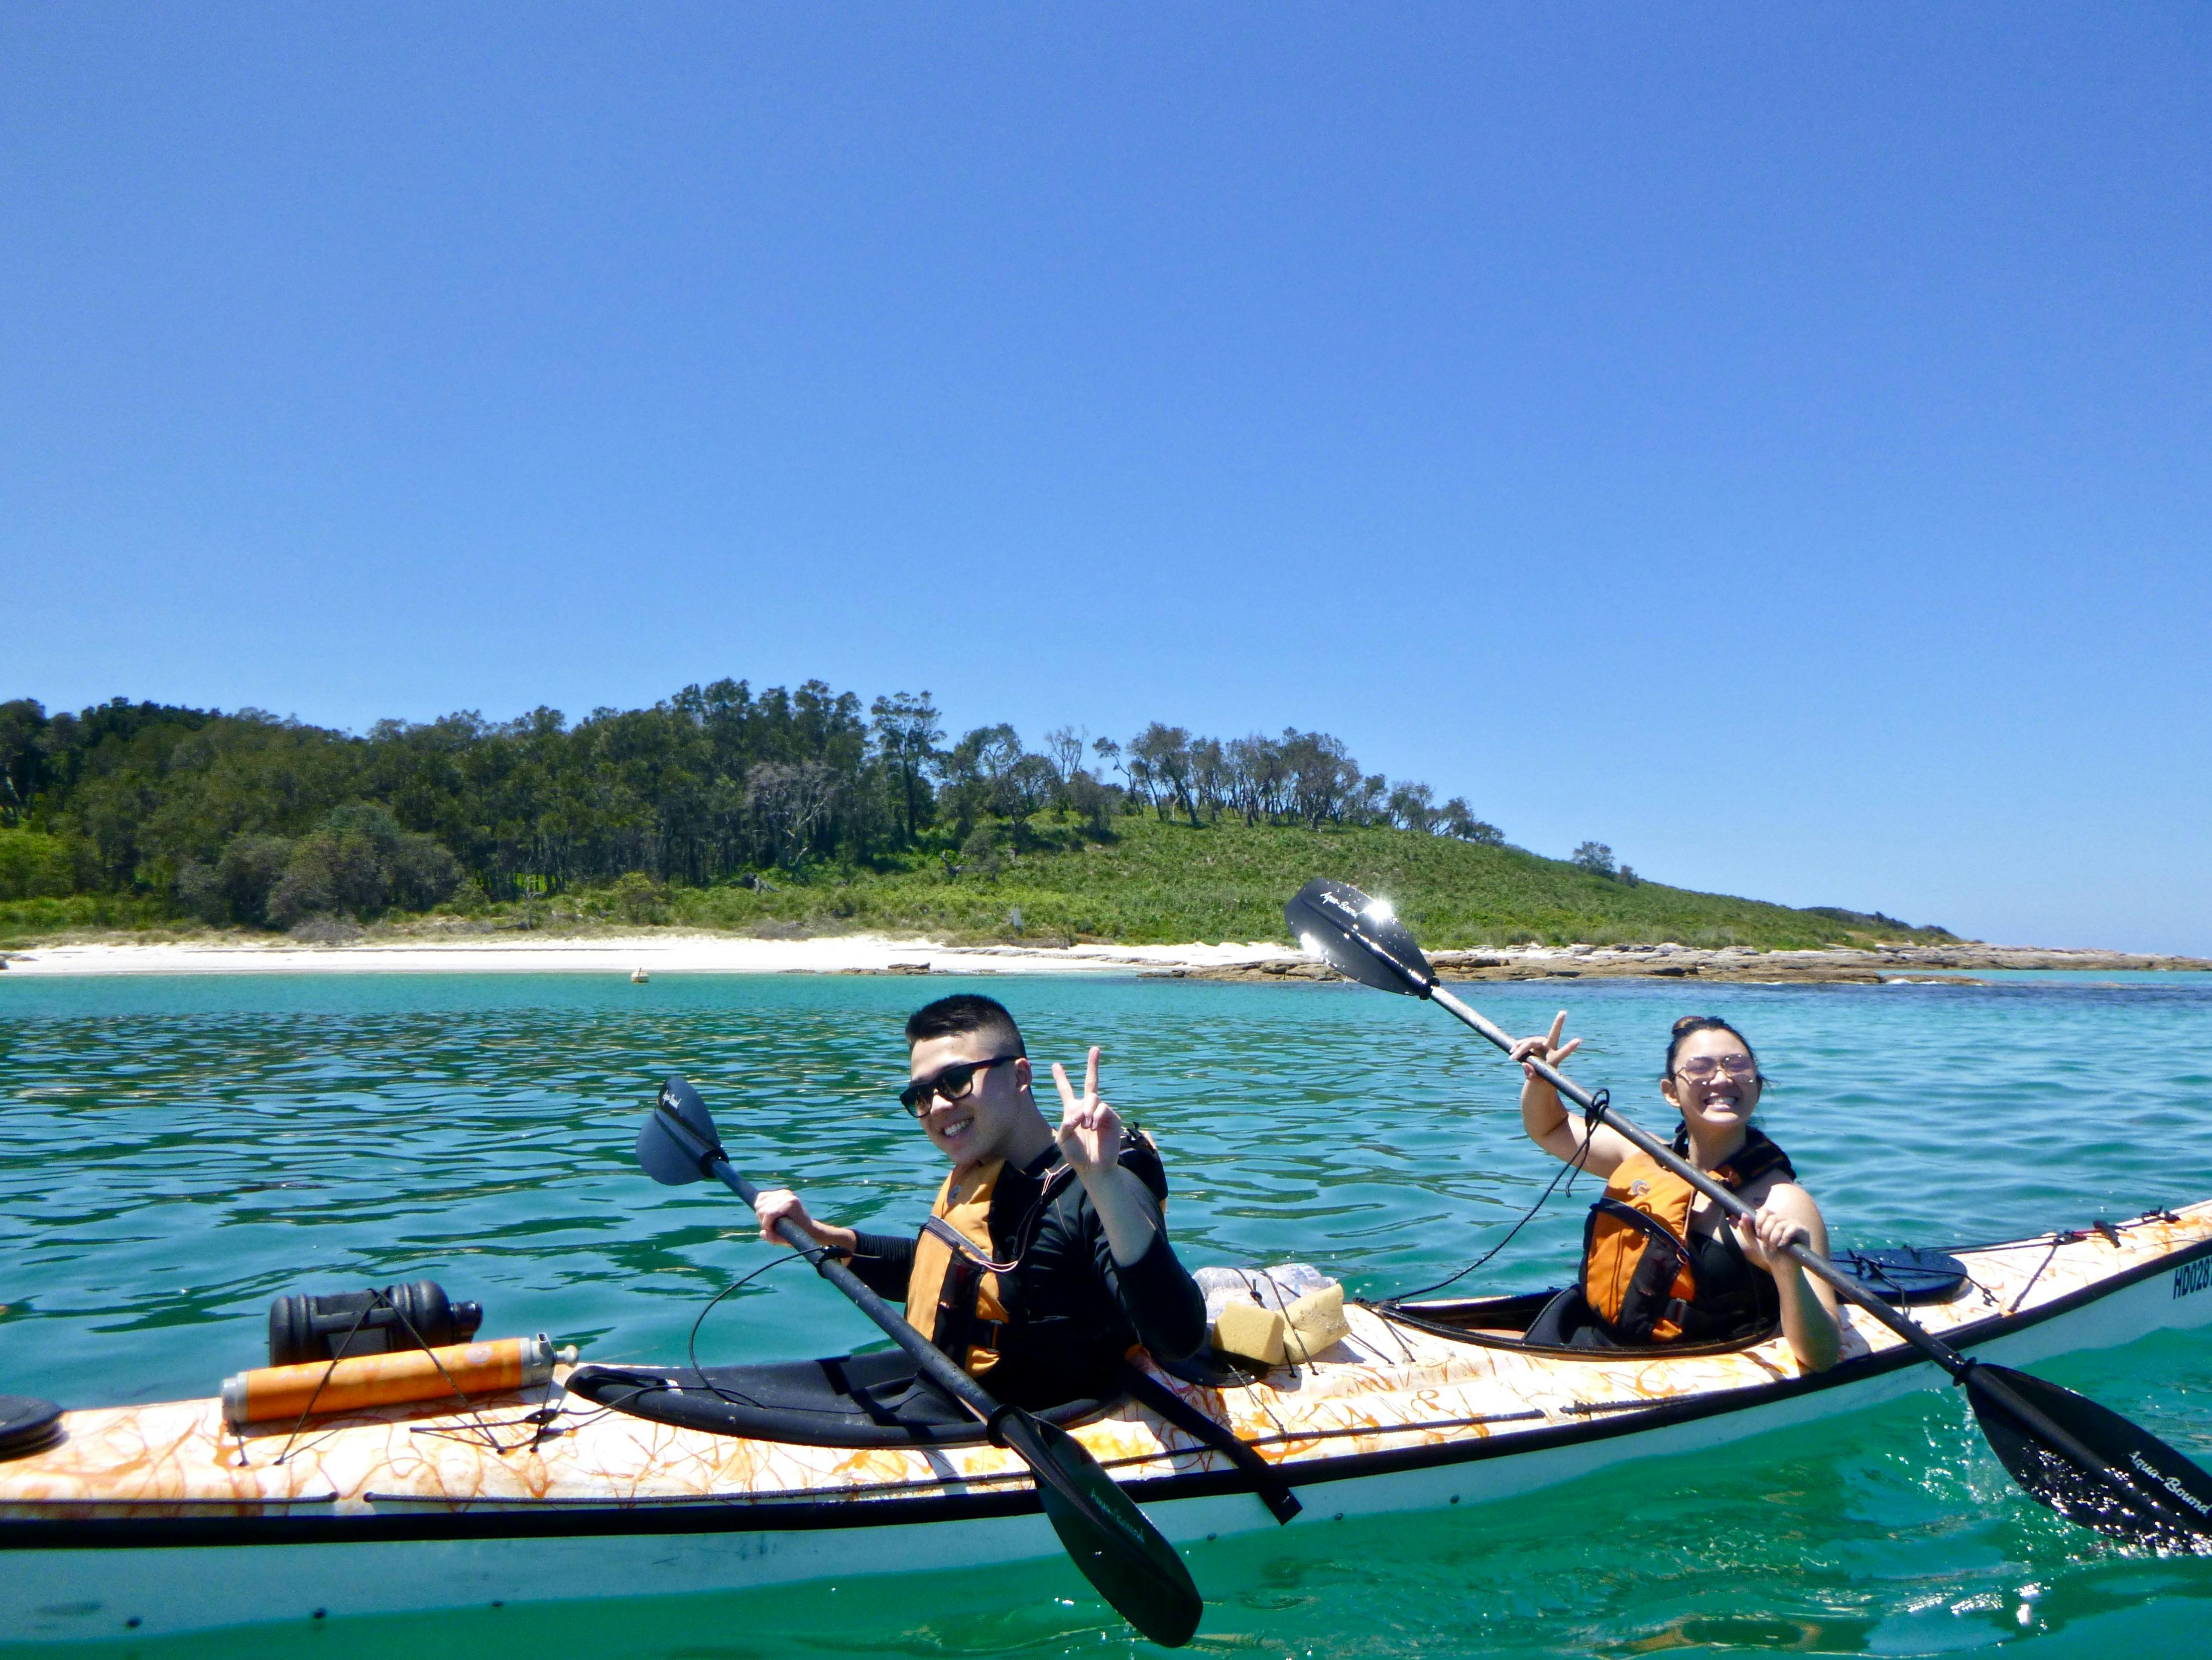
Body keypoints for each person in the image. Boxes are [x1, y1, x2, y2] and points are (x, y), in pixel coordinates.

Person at [752, 993, 1208, 1411]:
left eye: (954, 1081)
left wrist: (1101, 1178)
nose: (936, 1107)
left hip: (1032, 1421)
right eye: (919, 1095)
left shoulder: (1099, 1190)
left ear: (1021, 1076)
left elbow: (1177, 1338)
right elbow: (954, 1275)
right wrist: (818, 1236)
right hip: (945, 1392)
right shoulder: (983, 1176)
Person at [1510, 1011, 1841, 1372]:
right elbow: (1550, 1128)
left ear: (1757, 1088)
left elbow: (1822, 1356)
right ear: (1671, 1092)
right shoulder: (1644, 1154)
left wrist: (1787, 1272)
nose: (1721, 1078)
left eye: (1738, 1066)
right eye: (1700, 1068)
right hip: (1592, 1337)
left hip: (1681, 1367)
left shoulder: (1782, 1202)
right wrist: (1542, 1079)